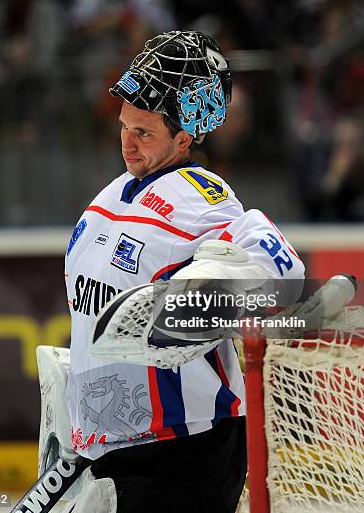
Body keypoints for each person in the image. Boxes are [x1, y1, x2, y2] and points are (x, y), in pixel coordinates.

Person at [64, 30, 305, 512]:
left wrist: (213, 285)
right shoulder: (112, 195)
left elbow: (280, 268)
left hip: (183, 451)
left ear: (183, 137)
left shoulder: (200, 197)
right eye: (124, 127)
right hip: (116, 447)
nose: (128, 146)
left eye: (144, 133)